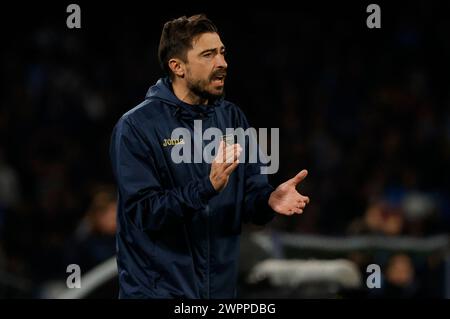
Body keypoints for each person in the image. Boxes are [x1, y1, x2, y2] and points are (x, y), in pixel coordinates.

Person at [109, 14, 310, 299]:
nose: (222, 63)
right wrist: (206, 187)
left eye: (222, 52)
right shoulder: (136, 127)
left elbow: (250, 198)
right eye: (208, 55)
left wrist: (268, 200)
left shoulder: (233, 118)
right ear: (177, 66)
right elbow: (144, 212)